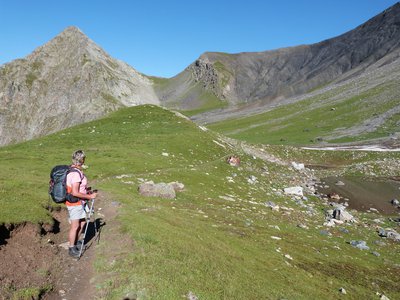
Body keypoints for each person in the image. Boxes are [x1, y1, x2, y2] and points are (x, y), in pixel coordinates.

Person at [65, 150, 98, 257]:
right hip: (75, 203)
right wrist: (90, 196)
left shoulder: (74, 171)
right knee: (75, 226)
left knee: (82, 223)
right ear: (82, 160)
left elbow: (79, 188)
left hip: (81, 202)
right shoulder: (75, 174)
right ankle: (71, 248)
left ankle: (76, 243)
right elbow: (75, 192)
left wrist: (87, 190)